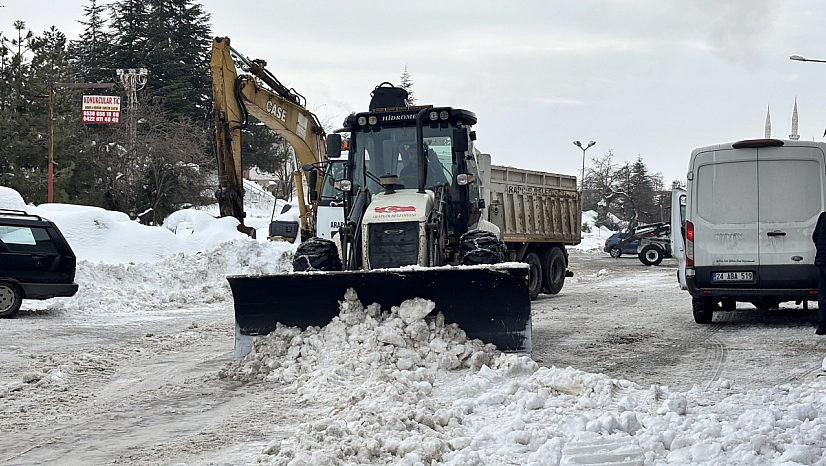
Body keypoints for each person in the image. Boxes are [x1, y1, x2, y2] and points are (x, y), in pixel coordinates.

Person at [812, 211, 826, 335]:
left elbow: (815, 236)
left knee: (823, 295)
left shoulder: (823, 216)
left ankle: (823, 325)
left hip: (823, 261)